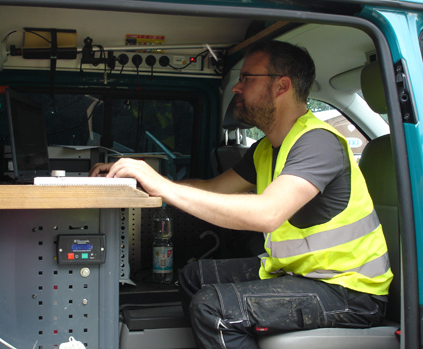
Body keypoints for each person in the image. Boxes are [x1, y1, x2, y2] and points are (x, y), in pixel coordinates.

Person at [90, 40, 393, 349]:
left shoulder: (319, 143)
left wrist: (160, 184)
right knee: (194, 276)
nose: (236, 87)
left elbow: (267, 213)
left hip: (348, 291)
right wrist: (141, 182)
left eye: (247, 78)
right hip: (299, 273)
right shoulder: (266, 149)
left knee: (213, 307)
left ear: (281, 86)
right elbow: (211, 190)